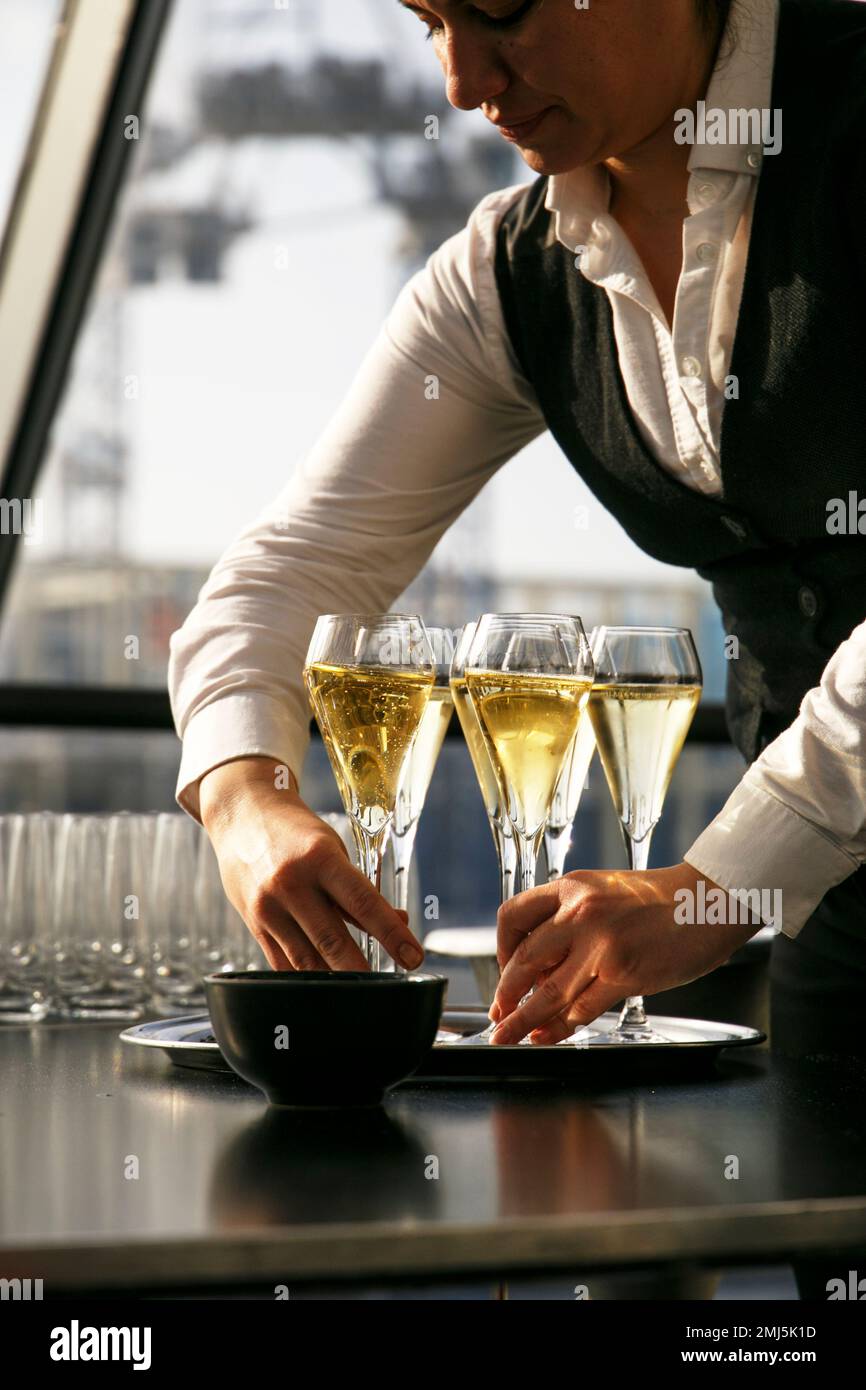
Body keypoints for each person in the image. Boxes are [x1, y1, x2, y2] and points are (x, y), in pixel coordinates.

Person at [169, 0, 866, 1067]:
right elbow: (302, 561)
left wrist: (718, 883)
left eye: (499, 10)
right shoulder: (510, 273)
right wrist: (241, 796)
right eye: (428, 22)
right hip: (837, 925)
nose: (461, 84)